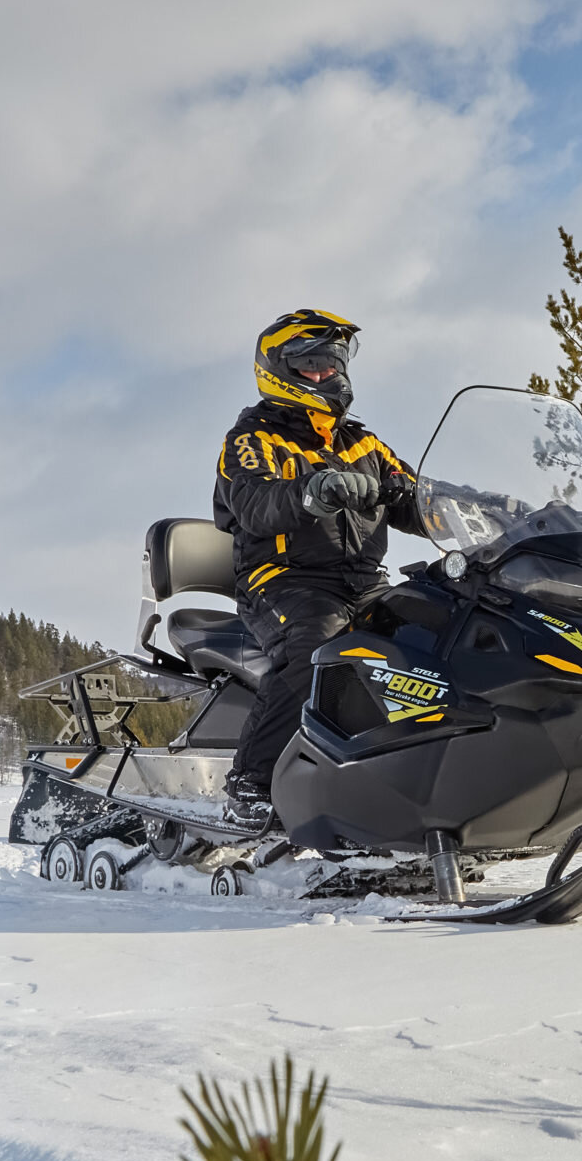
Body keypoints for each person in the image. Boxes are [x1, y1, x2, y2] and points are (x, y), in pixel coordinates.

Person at [212, 308, 420, 829]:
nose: (327, 376)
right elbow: (255, 503)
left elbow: (419, 496)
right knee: (319, 650)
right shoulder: (251, 439)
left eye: (333, 365)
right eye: (312, 366)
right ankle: (252, 785)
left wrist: (492, 509)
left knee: (433, 636)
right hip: (283, 581)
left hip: (365, 583)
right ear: (279, 370)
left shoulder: (363, 443)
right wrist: (312, 490)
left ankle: (419, 773)